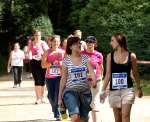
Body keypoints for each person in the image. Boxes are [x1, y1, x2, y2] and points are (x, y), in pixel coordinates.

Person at [100, 33, 143, 122]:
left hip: (127, 90)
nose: (110, 43)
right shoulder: (109, 56)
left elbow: (135, 73)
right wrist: (103, 90)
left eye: (112, 41)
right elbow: (108, 74)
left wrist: (139, 88)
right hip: (114, 91)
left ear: (119, 42)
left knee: (125, 115)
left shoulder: (131, 56)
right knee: (118, 119)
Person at [58, 37, 97, 122]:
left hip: (85, 92)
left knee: (84, 119)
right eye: (76, 43)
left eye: (79, 43)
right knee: (75, 116)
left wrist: (94, 81)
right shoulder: (66, 61)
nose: (79, 45)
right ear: (70, 47)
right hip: (70, 91)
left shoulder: (85, 58)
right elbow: (63, 79)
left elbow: (91, 72)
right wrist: (59, 96)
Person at [42, 35, 65, 120]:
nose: (56, 43)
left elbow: (67, 64)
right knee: (51, 96)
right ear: (51, 42)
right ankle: (55, 109)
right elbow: (43, 65)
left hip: (60, 77)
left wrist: (62, 63)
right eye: (54, 41)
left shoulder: (63, 52)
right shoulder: (47, 52)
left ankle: (59, 114)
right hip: (49, 78)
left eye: (57, 41)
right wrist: (52, 63)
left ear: (59, 43)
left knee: (58, 95)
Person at [82, 36, 103, 122]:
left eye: (91, 42)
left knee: (93, 102)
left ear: (95, 44)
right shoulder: (81, 54)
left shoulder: (99, 55)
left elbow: (101, 67)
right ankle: (86, 118)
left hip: (96, 80)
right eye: (87, 42)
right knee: (85, 103)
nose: (89, 44)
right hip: (84, 82)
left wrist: (101, 77)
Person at [28, 30, 49, 104]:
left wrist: (42, 54)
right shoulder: (31, 43)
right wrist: (31, 54)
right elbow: (28, 51)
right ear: (34, 36)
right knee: (36, 79)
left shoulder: (43, 43)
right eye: (36, 35)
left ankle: (42, 97)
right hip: (33, 62)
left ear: (40, 36)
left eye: (39, 35)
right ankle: (38, 98)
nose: (37, 37)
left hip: (42, 62)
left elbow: (47, 51)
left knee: (42, 79)